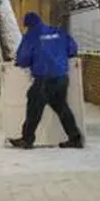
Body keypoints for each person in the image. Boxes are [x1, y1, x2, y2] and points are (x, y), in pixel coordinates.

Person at [10, 12, 84, 149]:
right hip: (61, 77)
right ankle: (75, 138)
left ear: (28, 25)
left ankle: (27, 139)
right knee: (61, 107)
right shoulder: (58, 32)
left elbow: (22, 58)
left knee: (34, 108)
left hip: (43, 79)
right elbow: (72, 49)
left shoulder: (31, 36)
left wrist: (22, 63)